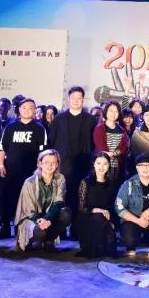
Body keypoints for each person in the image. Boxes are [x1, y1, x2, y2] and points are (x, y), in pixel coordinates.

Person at [0, 98, 48, 238]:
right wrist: (1, 164)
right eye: (24, 107)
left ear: (35, 110)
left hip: (30, 172)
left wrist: (40, 170)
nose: (27, 110)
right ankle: (5, 227)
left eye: (31, 108)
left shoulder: (39, 128)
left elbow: (43, 153)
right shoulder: (10, 127)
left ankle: (24, 230)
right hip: (10, 170)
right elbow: (2, 148)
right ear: (19, 109)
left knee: (28, 201)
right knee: (6, 198)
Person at [49, 86, 98, 220]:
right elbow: (52, 141)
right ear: (68, 99)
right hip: (63, 164)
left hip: (84, 164)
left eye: (79, 98)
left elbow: (94, 143)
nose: (76, 101)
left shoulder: (91, 120)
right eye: (73, 98)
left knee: (81, 195)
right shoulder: (59, 119)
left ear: (83, 99)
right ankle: (62, 224)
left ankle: (78, 224)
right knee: (62, 194)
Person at [115, 153, 149, 260]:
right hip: (133, 220)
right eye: (141, 165)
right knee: (129, 240)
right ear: (137, 167)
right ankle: (131, 247)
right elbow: (119, 207)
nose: (145, 168)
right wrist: (138, 221)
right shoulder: (128, 184)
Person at [14, 149, 71, 252]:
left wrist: (47, 220)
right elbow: (28, 211)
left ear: (57, 164)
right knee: (40, 232)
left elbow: (59, 202)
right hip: (32, 219)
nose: (50, 165)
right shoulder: (30, 182)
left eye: (53, 163)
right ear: (40, 163)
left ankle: (48, 240)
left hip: (49, 218)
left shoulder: (60, 178)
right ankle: (34, 240)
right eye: (46, 162)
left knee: (66, 214)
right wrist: (40, 221)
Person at [76, 152, 117, 258]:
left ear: (109, 165)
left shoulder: (111, 183)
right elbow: (81, 208)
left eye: (105, 164)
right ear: (93, 164)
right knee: (98, 217)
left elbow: (111, 207)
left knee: (111, 250)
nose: (101, 167)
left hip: (104, 219)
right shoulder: (86, 182)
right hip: (86, 218)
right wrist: (97, 210)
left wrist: (110, 221)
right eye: (98, 163)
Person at [93, 100, 130, 184]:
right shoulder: (99, 128)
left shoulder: (121, 130)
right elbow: (100, 148)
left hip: (118, 167)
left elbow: (125, 147)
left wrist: (113, 153)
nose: (113, 113)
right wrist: (110, 154)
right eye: (111, 110)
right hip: (102, 167)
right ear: (106, 112)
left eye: (116, 111)